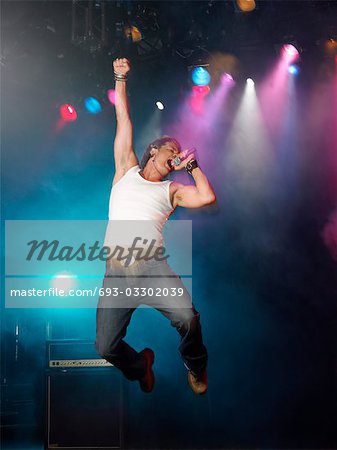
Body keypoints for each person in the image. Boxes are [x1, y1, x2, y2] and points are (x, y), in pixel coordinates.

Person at [95, 58, 216, 395]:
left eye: (178, 155)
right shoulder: (126, 169)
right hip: (117, 271)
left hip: (151, 266)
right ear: (154, 150)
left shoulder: (172, 190)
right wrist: (119, 77)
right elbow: (123, 117)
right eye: (172, 151)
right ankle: (140, 366)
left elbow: (206, 197)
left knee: (188, 319)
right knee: (105, 347)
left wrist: (191, 166)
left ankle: (195, 364)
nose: (175, 157)